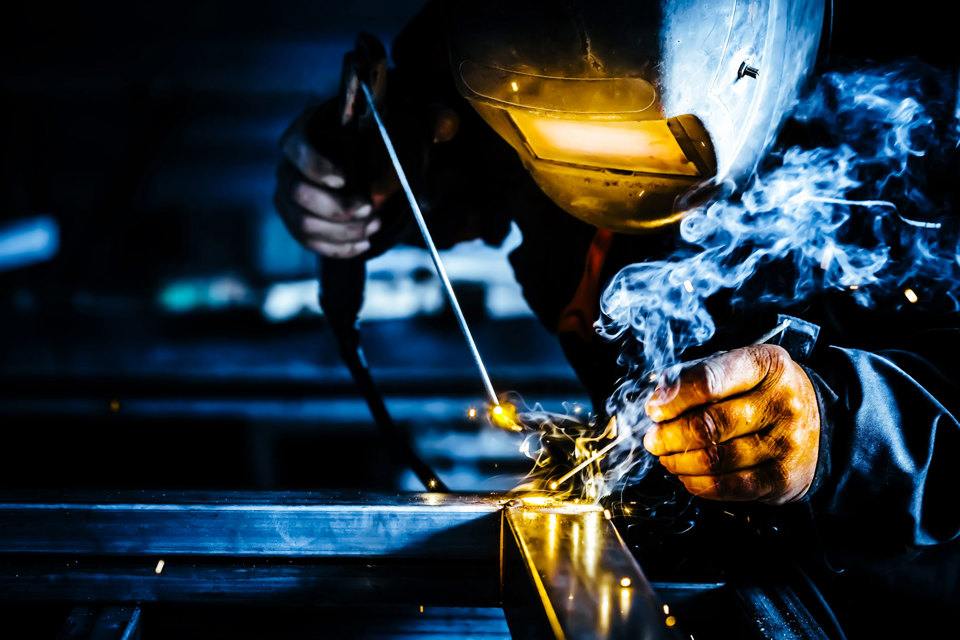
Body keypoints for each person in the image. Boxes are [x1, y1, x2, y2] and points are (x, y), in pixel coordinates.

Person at [274, 0, 959, 633]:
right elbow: (462, 151)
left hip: (884, 592)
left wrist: (843, 430)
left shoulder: (923, 95)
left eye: (649, 151)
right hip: (673, 551)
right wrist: (375, 170)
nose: (612, 184)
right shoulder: (510, 25)